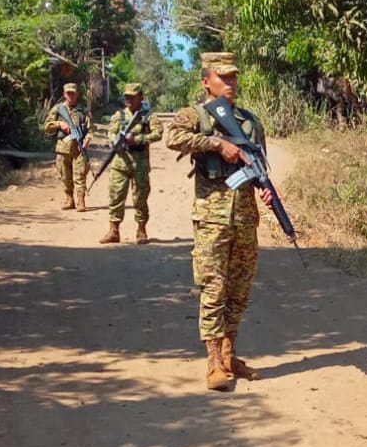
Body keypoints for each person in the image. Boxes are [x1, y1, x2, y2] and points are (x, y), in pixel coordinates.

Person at [165, 52, 272, 391]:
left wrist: (265, 189)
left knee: (239, 288)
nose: (230, 83)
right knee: (214, 288)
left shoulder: (250, 122)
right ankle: (212, 362)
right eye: (222, 77)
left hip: (244, 218)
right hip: (212, 218)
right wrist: (216, 144)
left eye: (233, 77)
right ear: (205, 81)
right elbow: (172, 137)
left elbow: (259, 166)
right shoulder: (195, 115)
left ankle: (229, 353)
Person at [98, 83, 163, 245]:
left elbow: (158, 134)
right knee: (116, 197)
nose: (128, 100)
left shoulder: (148, 117)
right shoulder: (119, 115)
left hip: (139, 164)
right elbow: (111, 132)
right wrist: (115, 142)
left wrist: (138, 139)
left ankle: (141, 229)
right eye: (126, 97)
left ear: (141, 97)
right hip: (120, 164)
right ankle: (114, 230)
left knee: (140, 198)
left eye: (132, 97)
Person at [44, 82, 92, 212]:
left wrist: (87, 140)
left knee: (80, 174)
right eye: (68, 93)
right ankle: (69, 199)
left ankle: (81, 201)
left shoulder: (83, 111)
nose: (71, 96)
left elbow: (90, 129)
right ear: (64, 95)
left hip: (78, 148)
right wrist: (59, 124)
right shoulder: (58, 109)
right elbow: (47, 127)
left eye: (73, 93)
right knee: (65, 176)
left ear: (77, 95)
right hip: (62, 148)